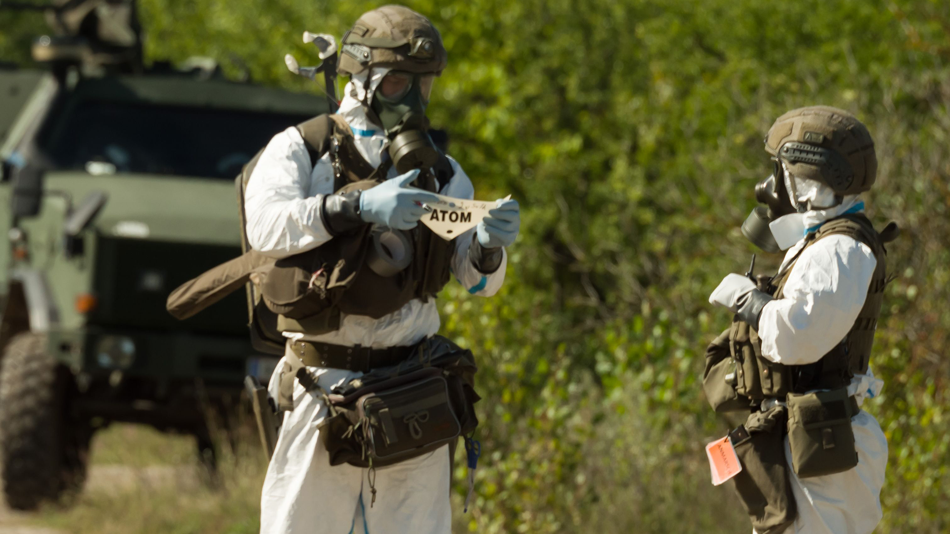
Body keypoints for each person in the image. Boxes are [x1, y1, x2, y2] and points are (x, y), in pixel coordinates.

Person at [243, 6, 520, 533]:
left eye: (423, 84)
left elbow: (477, 282)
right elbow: (266, 227)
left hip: (412, 392)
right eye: (397, 82)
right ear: (363, 79)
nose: (412, 99)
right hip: (323, 386)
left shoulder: (442, 172)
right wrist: (355, 208)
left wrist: (487, 247)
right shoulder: (304, 148)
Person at [708, 106, 892, 534]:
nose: (771, 186)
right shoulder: (821, 241)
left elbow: (796, 338)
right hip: (804, 441)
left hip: (825, 453)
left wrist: (749, 301)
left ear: (812, 179)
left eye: (784, 172)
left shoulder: (841, 251)